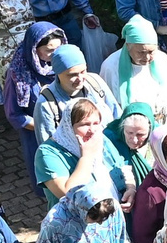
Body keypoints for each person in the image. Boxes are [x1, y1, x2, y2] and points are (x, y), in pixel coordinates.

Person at [29, 37, 117, 169]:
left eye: (83, 71)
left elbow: (116, 114)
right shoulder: (46, 104)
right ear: (58, 73)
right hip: (76, 165)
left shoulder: (95, 82)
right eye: (72, 75)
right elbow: (48, 148)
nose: (80, 79)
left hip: (111, 157)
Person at [0, 21, 67, 185]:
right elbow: (14, 114)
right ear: (34, 49)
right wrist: (45, 126)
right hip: (37, 136)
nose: (55, 54)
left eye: (58, 48)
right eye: (49, 50)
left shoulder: (64, 64)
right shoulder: (17, 73)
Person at [106, 17, 167, 134]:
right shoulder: (111, 67)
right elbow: (109, 108)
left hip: (163, 129)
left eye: (151, 51)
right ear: (128, 46)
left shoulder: (163, 60)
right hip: (131, 134)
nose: (147, 57)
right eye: (141, 52)